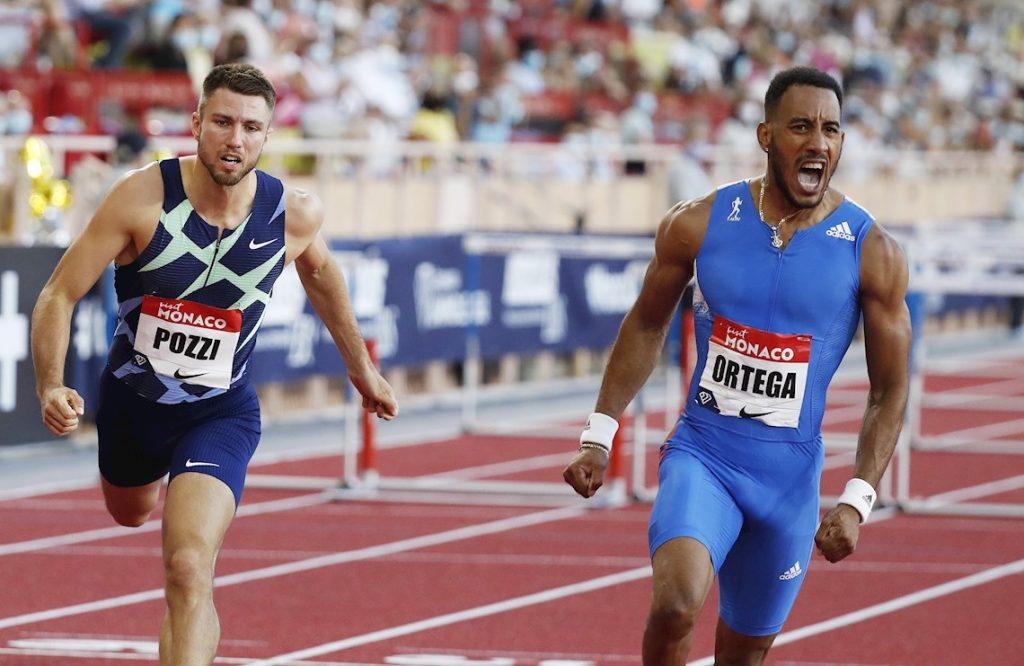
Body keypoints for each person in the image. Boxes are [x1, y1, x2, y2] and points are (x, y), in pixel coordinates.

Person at [31, 63, 398, 665]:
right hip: (132, 406)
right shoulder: (140, 198)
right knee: (129, 513)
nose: (236, 139)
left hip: (219, 410)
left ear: (268, 135)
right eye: (223, 122)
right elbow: (57, 293)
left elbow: (323, 274)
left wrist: (360, 368)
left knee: (187, 566)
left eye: (251, 127)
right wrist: (51, 383)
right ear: (197, 124)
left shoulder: (291, 213)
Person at [563, 66, 911, 664]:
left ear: (843, 143)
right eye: (800, 126)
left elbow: (889, 390)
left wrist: (857, 500)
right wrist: (599, 434)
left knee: (741, 656)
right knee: (675, 604)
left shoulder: (871, 251)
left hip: (788, 484)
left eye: (830, 129)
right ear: (765, 136)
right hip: (705, 457)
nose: (818, 142)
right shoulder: (697, 222)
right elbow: (647, 323)